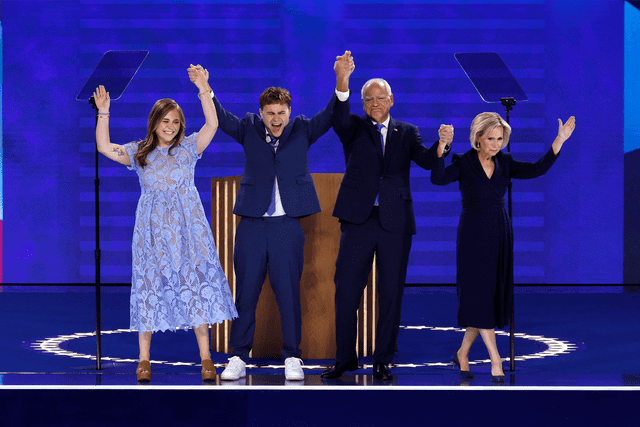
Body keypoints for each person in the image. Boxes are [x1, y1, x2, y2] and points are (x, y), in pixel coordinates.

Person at [92, 64, 238, 383]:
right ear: (154, 123)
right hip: (152, 233)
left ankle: (206, 359)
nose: (170, 126)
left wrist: (203, 88)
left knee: (195, 290)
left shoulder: (189, 149)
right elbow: (104, 147)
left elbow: (213, 123)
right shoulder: (140, 153)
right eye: (165, 120)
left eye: (175, 121)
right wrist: (104, 112)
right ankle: (143, 360)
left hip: (189, 232)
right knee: (148, 290)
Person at [199, 62, 339, 382]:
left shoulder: (303, 128)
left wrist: (341, 82)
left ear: (289, 112)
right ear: (261, 113)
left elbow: (330, 115)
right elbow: (221, 117)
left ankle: (292, 356)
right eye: (270, 113)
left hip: (286, 225)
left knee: (288, 291)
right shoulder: (248, 127)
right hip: (251, 223)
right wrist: (205, 88)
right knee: (246, 292)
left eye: (281, 112)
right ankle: (237, 356)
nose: (276, 119)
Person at [321, 52, 453, 381]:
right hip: (358, 219)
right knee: (346, 289)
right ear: (363, 102)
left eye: (381, 98)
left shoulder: (407, 132)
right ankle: (345, 359)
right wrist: (343, 79)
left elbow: (426, 160)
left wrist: (442, 147)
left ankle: (383, 359)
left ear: (391, 100)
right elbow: (338, 117)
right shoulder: (352, 127)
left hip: (396, 221)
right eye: (369, 99)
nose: (375, 103)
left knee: (391, 292)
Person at [430, 112, 576, 381]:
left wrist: (559, 140)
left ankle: (462, 353)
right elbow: (437, 179)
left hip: (499, 232)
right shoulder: (463, 162)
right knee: (479, 295)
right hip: (473, 234)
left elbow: (536, 169)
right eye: (490, 138)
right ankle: (495, 360)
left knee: (486, 298)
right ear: (478, 138)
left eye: (500, 139)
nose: (496, 144)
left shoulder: (505, 163)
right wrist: (441, 147)